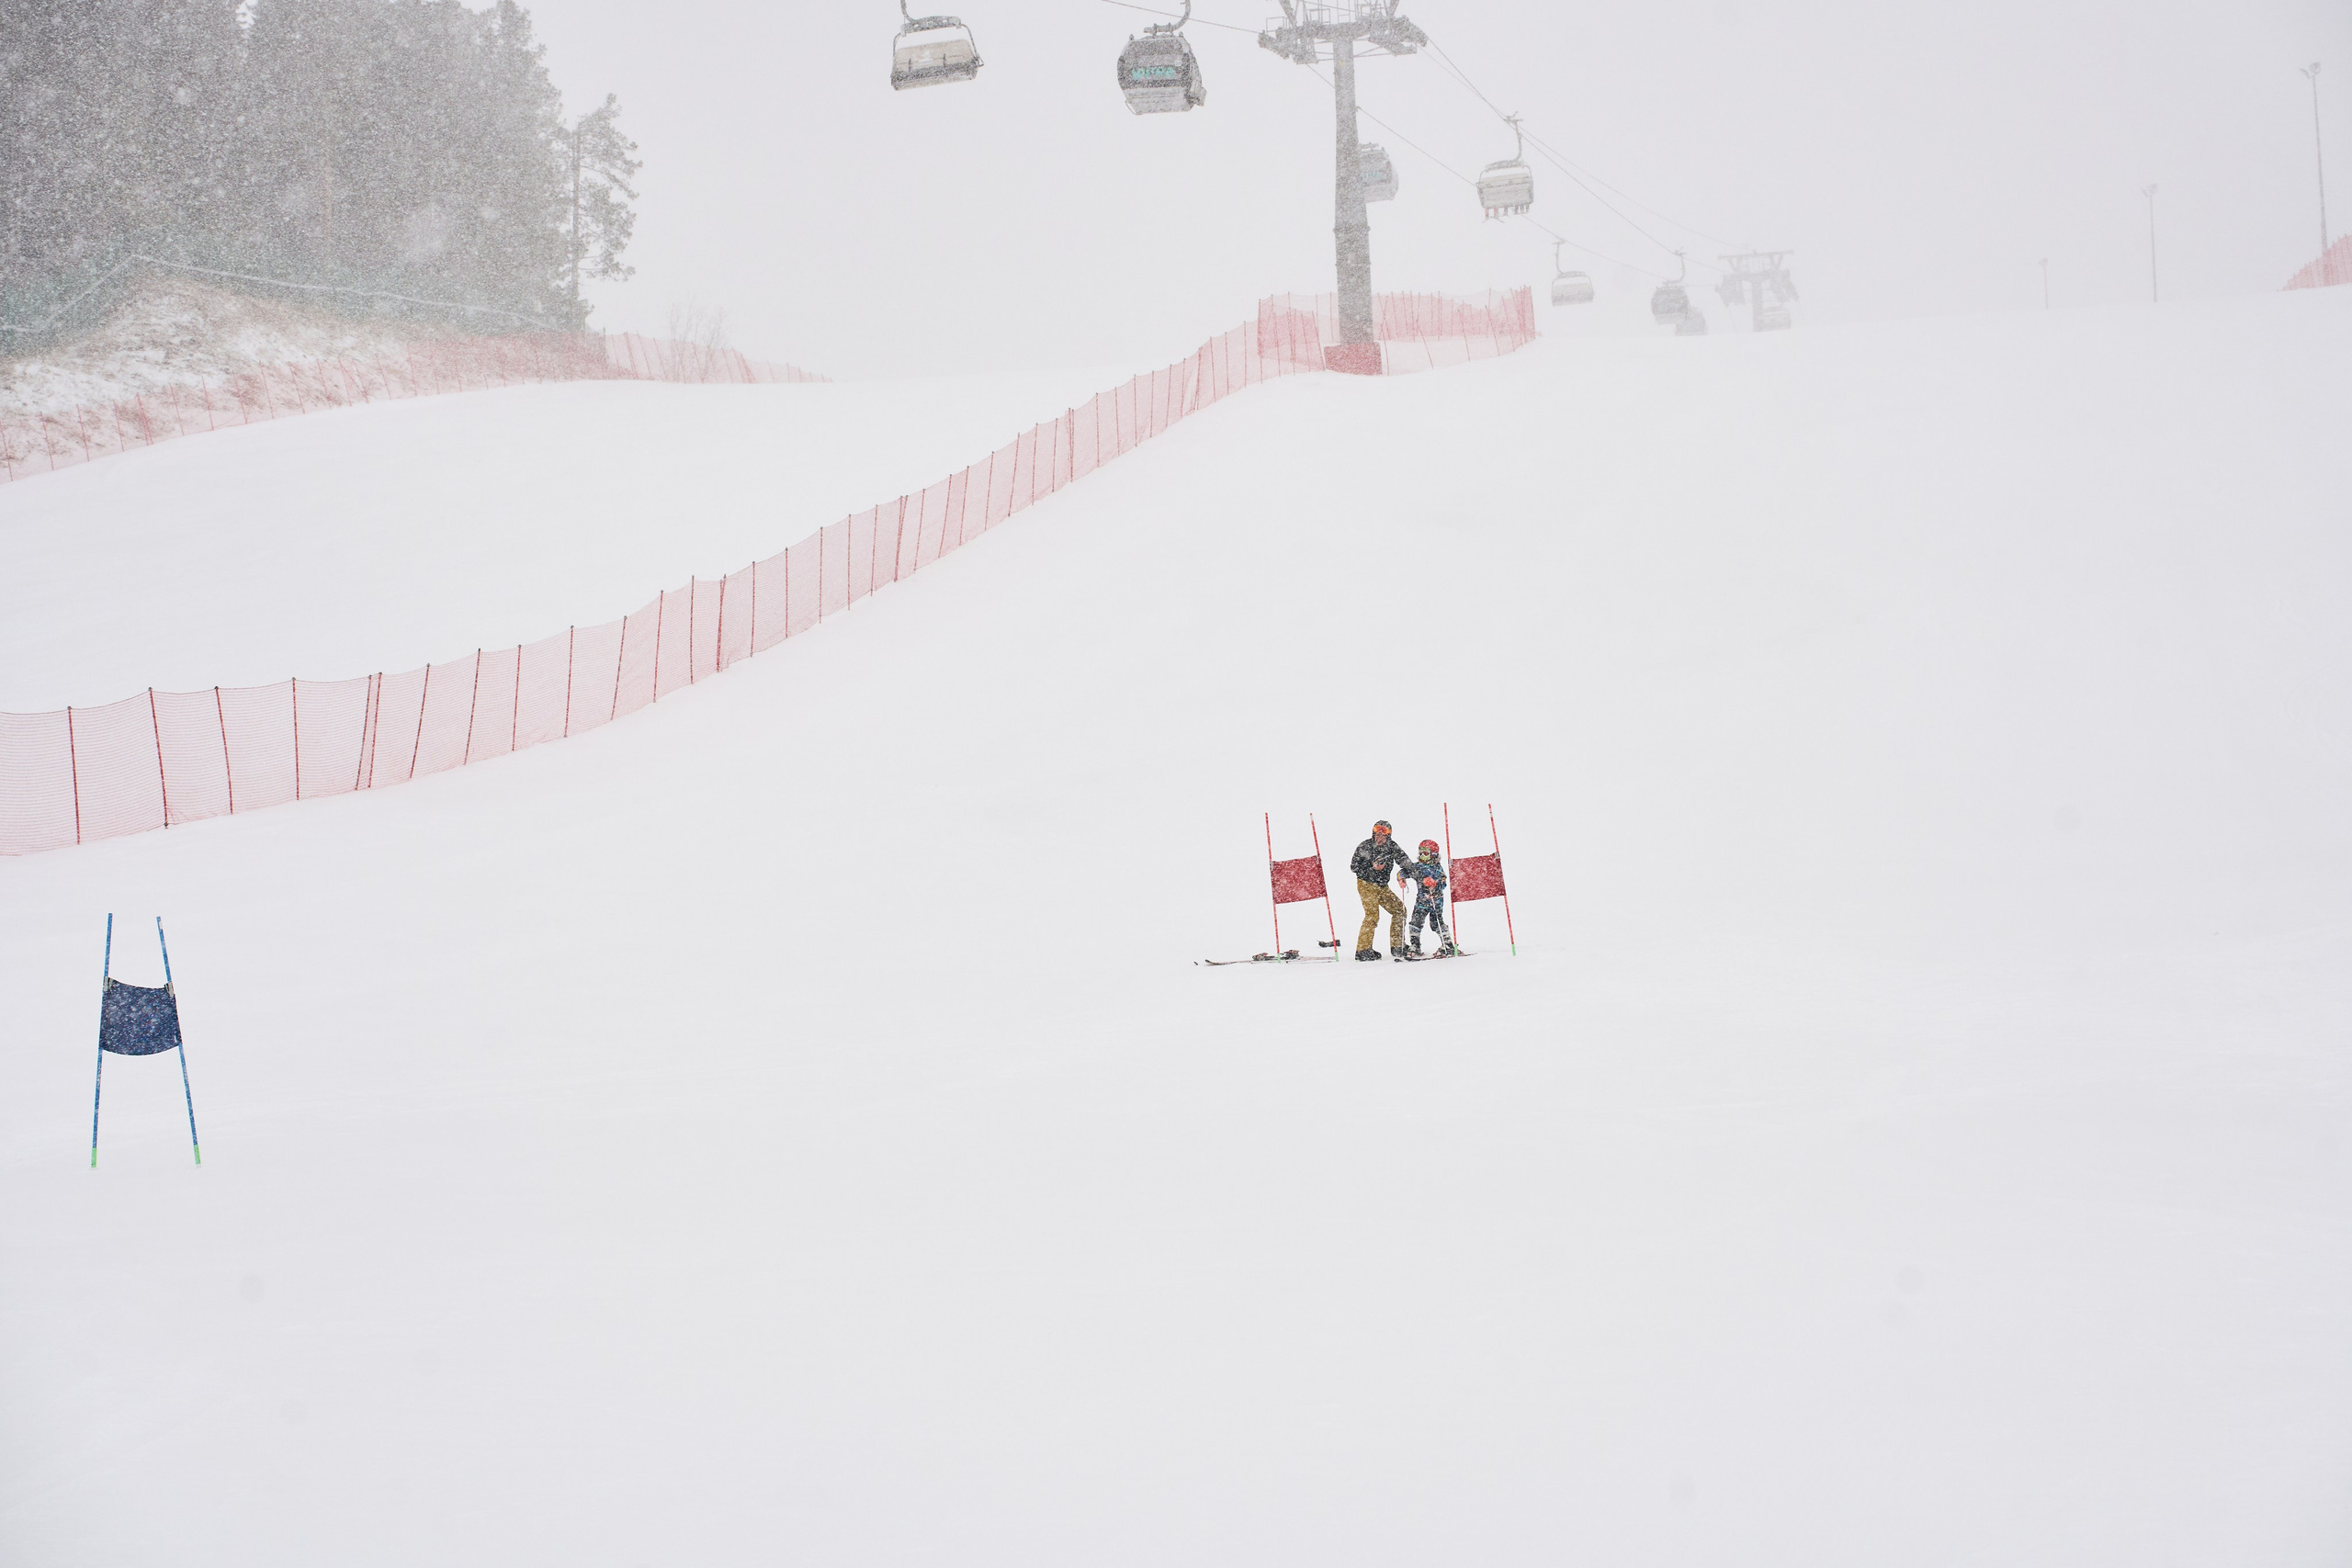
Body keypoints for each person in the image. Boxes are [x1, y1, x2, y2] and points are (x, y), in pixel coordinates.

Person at [1349, 819, 1417, 960]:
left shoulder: (1392, 847)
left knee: (1399, 910)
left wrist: (1419, 875)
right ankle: (1363, 950)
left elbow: (1405, 861)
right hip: (1366, 884)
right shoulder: (1365, 846)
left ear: (1389, 836)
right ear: (1373, 833)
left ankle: (1398, 946)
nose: (1380, 837)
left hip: (1382, 887)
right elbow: (1354, 867)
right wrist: (1371, 866)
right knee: (1372, 916)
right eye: (1377, 833)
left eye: (1383, 834)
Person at [1406, 840, 1455, 955]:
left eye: (1426, 853)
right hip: (1421, 900)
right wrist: (1401, 878)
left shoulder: (1437, 868)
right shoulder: (1417, 866)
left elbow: (1443, 882)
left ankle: (1447, 945)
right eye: (1421, 853)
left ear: (1433, 854)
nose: (1423, 856)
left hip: (1435, 900)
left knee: (1436, 922)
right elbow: (1405, 871)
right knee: (1415, 921)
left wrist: (1434, 883)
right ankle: (1415, 946)